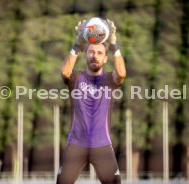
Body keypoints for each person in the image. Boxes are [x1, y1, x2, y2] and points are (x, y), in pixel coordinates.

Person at [57, 19, 126, 184]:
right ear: (86, 55)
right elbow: (65, 72)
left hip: (102, 146)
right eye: (91, 52)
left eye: (100, 53)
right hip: (76, 145)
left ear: (105, 59)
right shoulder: (77, 78)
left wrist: (114, 43)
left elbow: (122, 74)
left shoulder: (109, 79)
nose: (95, 56)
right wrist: (76, 45)